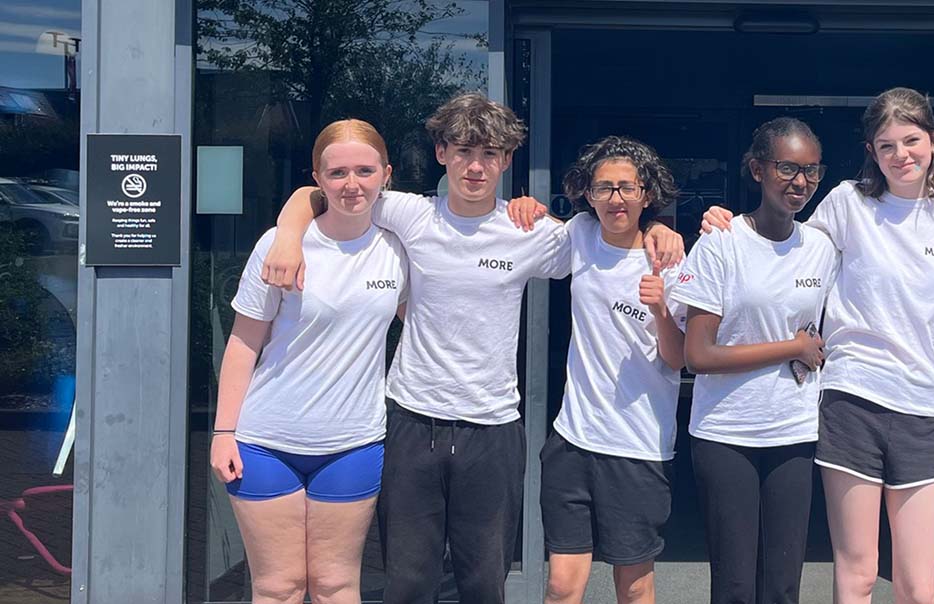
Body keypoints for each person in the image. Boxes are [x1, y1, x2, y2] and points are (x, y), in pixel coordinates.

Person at [260, 93, 684, 604]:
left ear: (507, 160)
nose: (475, 166)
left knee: (484, 584)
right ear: (442, 153)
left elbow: (613, 229)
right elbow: (324, 192)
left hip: (493, 428)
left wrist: (660, 227)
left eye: (489, 154)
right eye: (463, 151)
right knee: (408, 583)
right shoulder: (410, 214)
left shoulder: (531, 231)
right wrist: (288, 234)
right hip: (412, 419)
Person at [703, 87, 934, 604]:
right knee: (858, 575)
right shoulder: (848, 202)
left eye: (911, 141)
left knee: (918, 584)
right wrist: (724, 224)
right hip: (851, 400)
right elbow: (785, 247)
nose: (900, 155)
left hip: (922, 406)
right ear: (871, 151)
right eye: (886, 145)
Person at [210, 118, 407, 604]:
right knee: (278, 587)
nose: (352, 184)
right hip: (266, 441)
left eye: (364, 171)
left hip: (352, 443)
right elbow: (243, 342)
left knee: (335, 585)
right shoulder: (280, 246)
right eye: (337, 173)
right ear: (317, 179)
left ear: (386, 174)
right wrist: (222, 431)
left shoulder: (399, 249)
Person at [508, 136, 686, 604]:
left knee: (635, 587)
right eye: (604, 187)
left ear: (647, 193)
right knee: (561, 586)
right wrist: (524, 205)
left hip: (637, 447)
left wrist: (661, 309)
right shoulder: (581, 234)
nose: (615, 198)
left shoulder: (670, 262)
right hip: (573, 442)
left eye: (627, 187)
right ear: (588, 194)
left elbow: (679, 358)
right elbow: (539, 228)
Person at [672, 117, 836, 604]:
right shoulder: (721, 243)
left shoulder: (821, 248)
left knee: (783, 586)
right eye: (787, 168)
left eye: (811, 170)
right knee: (736, 586)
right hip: (727, 432)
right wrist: (793, 348)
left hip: (794, 430)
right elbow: (698, 355)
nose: (800, 181)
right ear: (758, 169)